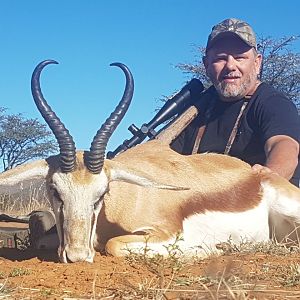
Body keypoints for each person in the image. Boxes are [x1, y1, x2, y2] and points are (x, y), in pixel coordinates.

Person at [171, 18, 300, 186]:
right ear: (206, 64)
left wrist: (269, 178)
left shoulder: (273, 103)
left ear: (257, 62)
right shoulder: (196, 108)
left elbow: (284, 145)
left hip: (255, 202)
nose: (230, 66)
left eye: (240, 57)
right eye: (220, 58)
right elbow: (166, 156)